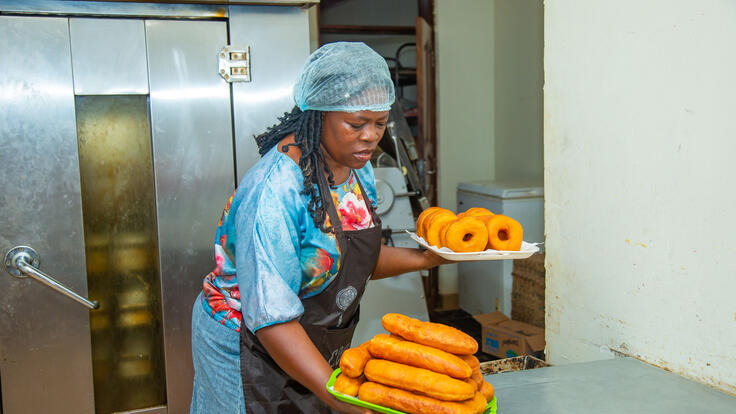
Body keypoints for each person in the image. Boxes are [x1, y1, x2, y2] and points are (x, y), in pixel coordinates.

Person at [190, 42, 447, 413]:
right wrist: (335, 396)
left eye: (379, 123)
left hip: (307, 337)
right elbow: (271, 319)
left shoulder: (358, 170)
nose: (371, 137)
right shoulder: (274, 191)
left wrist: (430, 259)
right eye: (357, 124)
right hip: (246, 344)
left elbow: (353, 261)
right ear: (318, 115)